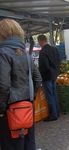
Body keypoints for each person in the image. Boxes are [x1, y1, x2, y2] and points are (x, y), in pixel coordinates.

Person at [0, 19, 42, 150]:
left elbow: (3, 85)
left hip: (9, 110)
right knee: (29, 144)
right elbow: (38, 79)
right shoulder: (26, 54)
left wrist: (1, 110)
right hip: (27, 108)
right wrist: (30, 98)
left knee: (11, 145)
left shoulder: (2, 53)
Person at [38, 34, 60, 121]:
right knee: (54, 95)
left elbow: (44, 66)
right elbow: (59, 61)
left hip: (47, 77)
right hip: (54, 75)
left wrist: (41, 75)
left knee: (49, 96)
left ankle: (53, 115)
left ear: (40, 41)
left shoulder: (43, 52)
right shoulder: (54, 49)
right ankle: (57, 112)